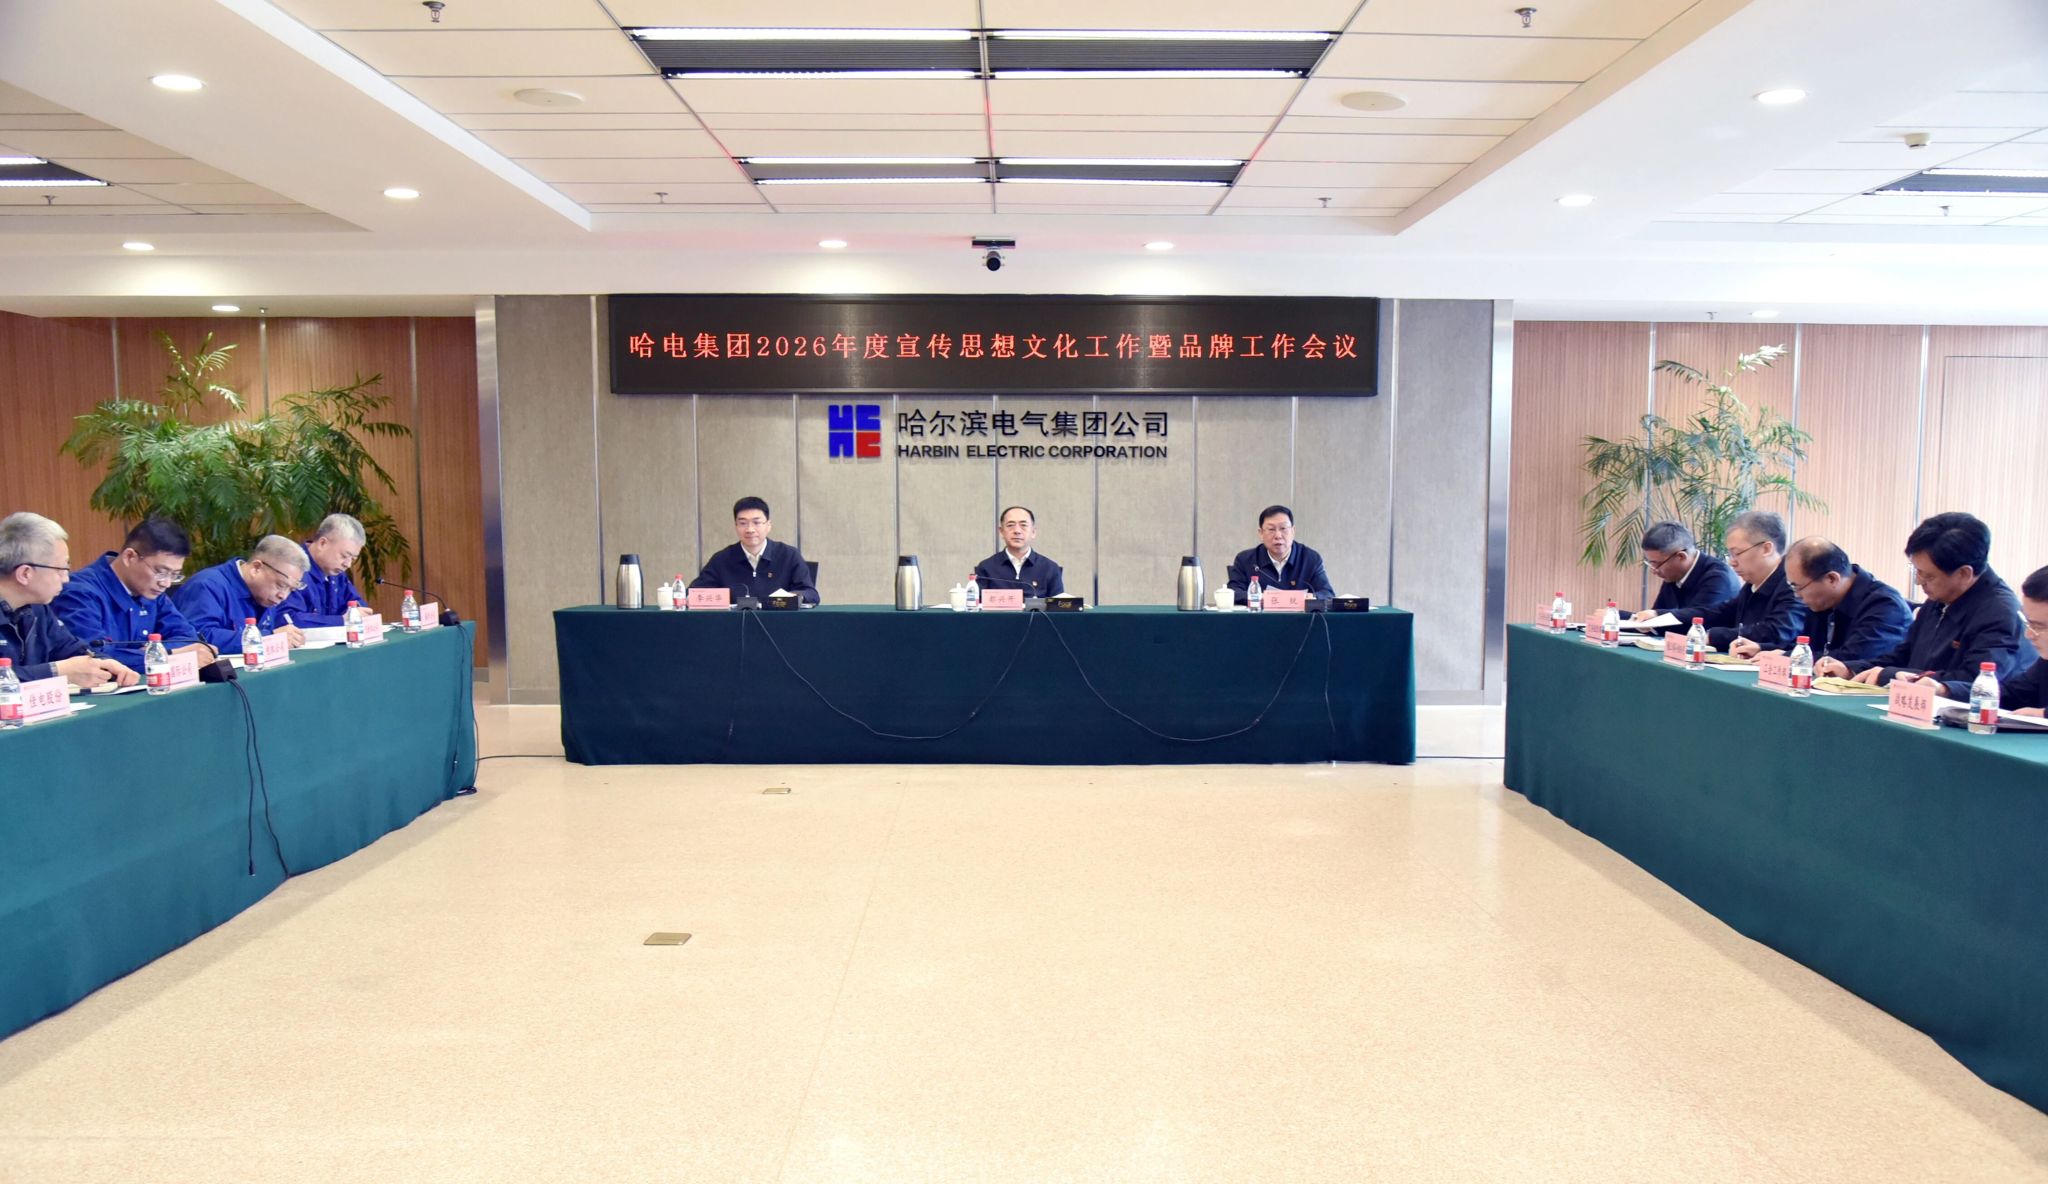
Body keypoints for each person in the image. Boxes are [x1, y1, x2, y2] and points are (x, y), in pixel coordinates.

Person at [1816, 512, 2035, 689]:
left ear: (1964, 573)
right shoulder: (1940, 597)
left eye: (1928, 575)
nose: (1919, 581)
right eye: (1916, 571)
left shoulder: (2000, 612)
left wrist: (1888, 675)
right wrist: (1850, 669)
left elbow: (1976, 682)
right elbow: (1903, 656)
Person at [51, 515, 216, 675]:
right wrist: (167, 656)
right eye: (161, 572)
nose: (166, 583)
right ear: (130, 557)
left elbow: (188, 638)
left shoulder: (153, 592)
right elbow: (93, 658)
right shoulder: (79, 593)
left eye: (174, 575)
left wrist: (153, 651)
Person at [0, 512, 137, 689]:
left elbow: (72, 649)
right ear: (25, 573)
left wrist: (103, 664)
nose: (66, 579)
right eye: (61, 569)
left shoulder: (37, 609)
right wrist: (57, 671)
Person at [1733, 536, 1910, 664]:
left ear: (1831, 579)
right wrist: (1763, 649)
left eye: (1798, 587)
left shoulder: (1885, 606)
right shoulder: (1823, 600)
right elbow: (1806, 646)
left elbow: (1852, 659)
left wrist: (1785, 658)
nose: (1796, 595)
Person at [1663, 509, 1807, 652]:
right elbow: (1720, 613)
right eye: (1730, 555)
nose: (1732, 562)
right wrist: (1662, 616)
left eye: (1737, 553)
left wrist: (1715, 636)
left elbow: (1777, 632)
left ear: (1766, 549)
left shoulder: (1793, 584)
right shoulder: (1752, 584)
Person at [173, 534, 311, 653]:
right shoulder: (207, 585)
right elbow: (199, 638)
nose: (283, 596)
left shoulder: (266, 596)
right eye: (281, 585)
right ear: (256, 568)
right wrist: (268, 638)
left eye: (291, 590)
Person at [688, 497, 819, 605]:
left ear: (768, 525)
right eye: (743, 523)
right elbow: (693, 593)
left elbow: (811, 594)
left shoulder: (789, 555)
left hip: (780, 623)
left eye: (756, 523)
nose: (750, 529)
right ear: (736, 526)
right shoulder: (722, 559)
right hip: (733, 625)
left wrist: (791, 598)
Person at [1630, 520, 1741, 620]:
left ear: (1681, 556)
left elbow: (1696, 621)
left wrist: (1655, 615)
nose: (1654, 571)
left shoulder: (1718, 577)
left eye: (1657, 564)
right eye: (1650, 564)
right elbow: (1653, 619)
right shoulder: (1674, 574)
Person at [1227, 504, 1335, 604]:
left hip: (1300, 618)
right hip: (1260, 618)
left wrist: (1313, 597)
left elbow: (1328, 594)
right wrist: (1259, 597)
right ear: (1261, 533)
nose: (1278, 535)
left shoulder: (1310, 559)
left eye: (1283, 528)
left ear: (1293, 531)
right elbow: (1233, 593)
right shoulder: (1245, 560)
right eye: (1271, 529)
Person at [281, 513, 370, 628]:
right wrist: (341, 620)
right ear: (322, 543)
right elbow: (288, 619)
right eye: (344, 556)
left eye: (353, 559)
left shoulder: (336, 571)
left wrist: (358, 612)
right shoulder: (291, 567)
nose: (347, 564)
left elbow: (355, 602)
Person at [973, 505, 1064, 597]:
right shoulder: (986, 567)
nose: (1017, 531)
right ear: (1001, 532)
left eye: (1023, 525)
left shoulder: (1050, 568)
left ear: (1033, 532)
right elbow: (976, 603)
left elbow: (1059, 604)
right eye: (1010, 525)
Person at [2009, 565, 2048, 716]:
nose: (2028, 634)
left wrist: (2043, 715)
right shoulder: (2044, 664)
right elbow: (2011, 694)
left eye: (2038, 626)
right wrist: (1948, 690)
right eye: (2028, 623)